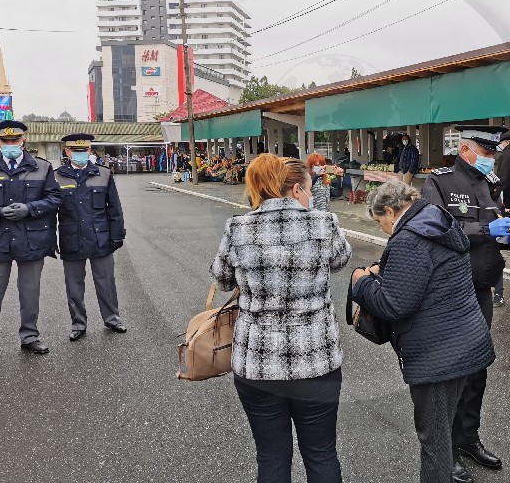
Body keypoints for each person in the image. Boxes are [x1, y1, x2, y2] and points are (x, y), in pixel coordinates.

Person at [210, 153, 352, 482]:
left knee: (272, 456)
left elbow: (221, 279)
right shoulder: (323, 222)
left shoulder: (238, 227)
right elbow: (341, 259)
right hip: (316, 363)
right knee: (321, 452)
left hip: (257, 365)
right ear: (294, 189)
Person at [351, 181, 495, 483]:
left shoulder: (408, 239)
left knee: (434, 438)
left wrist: (360, 281)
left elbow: (393, 306)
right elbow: (425, 273)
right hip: (464, 341)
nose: (382, 229)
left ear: (390, 212)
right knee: (443, 424)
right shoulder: (435, 218)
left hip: (437, 355)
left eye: (380, 222)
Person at [422, 125, 510, 479]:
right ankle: (447, 449)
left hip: (480, 289)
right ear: (465, 150)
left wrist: (509, 234)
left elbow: (492, 226)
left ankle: (468, 438)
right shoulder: (439, 182)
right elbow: (436, 230)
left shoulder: (487, 182)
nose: (491, 158)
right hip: (449, 292)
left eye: (493, 152)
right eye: (486, 151)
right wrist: (484, 232)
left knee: (477, 369)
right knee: (452, 374)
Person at [0, 120, 62, 367]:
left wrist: (29, 208)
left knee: (30, 292)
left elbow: (54, 198)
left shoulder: (42, 167)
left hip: (32, 239)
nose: (10, 145)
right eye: (5, 141)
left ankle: (29, 336)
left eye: (14, 141)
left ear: (23, 141)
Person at [54, 134, 126, 341]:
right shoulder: (57, 176)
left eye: (84, 150)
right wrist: (49, 239)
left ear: (90, 151)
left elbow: (114, 207)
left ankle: (112, 318)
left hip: (100, 238)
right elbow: (50, 212)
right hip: (71, 238)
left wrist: (117, 233)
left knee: (106, 281)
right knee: (74, 284)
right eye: (75, 151)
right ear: (67, 152)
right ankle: (78, 323)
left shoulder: (103, 174)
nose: (80, 154)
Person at [494, 133, 510, 210]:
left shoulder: (506, 154)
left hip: (508, 189)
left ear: (507, 142)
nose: (501, 145)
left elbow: (504, 174)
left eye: (501, 143)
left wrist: (497, 190)